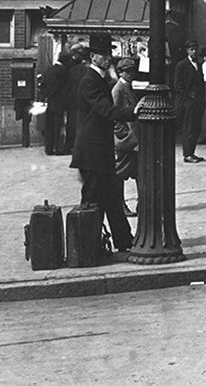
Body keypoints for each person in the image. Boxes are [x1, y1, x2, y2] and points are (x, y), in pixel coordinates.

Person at [69, 32, 135, 253]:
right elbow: (105, 110)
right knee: (93, 201)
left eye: (109, 54)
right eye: (104, 55)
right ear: (93, 56)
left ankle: (124, 241)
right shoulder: (89, 81)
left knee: (112, 199)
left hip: (100, 152)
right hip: (92, 152)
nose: (108, 58)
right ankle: (88, 246)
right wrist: (132, 113)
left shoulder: (100, 79)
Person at [111, 57, 140, 217]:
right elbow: (114, 115)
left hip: (133, 141)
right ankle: (120, 205)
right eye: (127, 71)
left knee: (137, 173)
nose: (131, 74)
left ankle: (140, 204)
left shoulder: (128, 87)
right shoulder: (118, 89)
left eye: (132, 70)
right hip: (126, 142)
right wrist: (124, 135)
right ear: (120, 72)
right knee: (120, 174)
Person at [173, 38, 206, 163]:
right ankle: (187, 154)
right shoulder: (181, 65)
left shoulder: (198, 63)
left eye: (196, 49)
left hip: (197, 102)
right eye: (192, 49)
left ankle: (191, 152)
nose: (194, 52)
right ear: (187, 51)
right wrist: (188, 96)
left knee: (196, 128)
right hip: (187, 103)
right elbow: (177, 85)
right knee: (188, 128)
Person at [39, 52, 72, 155]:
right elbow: (66, 88)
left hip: (50, 102)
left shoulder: (49, 70)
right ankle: (57, 148)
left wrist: (44, 98)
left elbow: (43, 86)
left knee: (49, 126)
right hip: (60, 102)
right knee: (58, 126)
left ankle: (49, 149)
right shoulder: (63, 71)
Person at [63, 43, 89, 154]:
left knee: (71, 125)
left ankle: (69, 147)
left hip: (72, 102)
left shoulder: (72, 69)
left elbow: (67, 87)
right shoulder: (88, 71)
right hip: (83, 102)